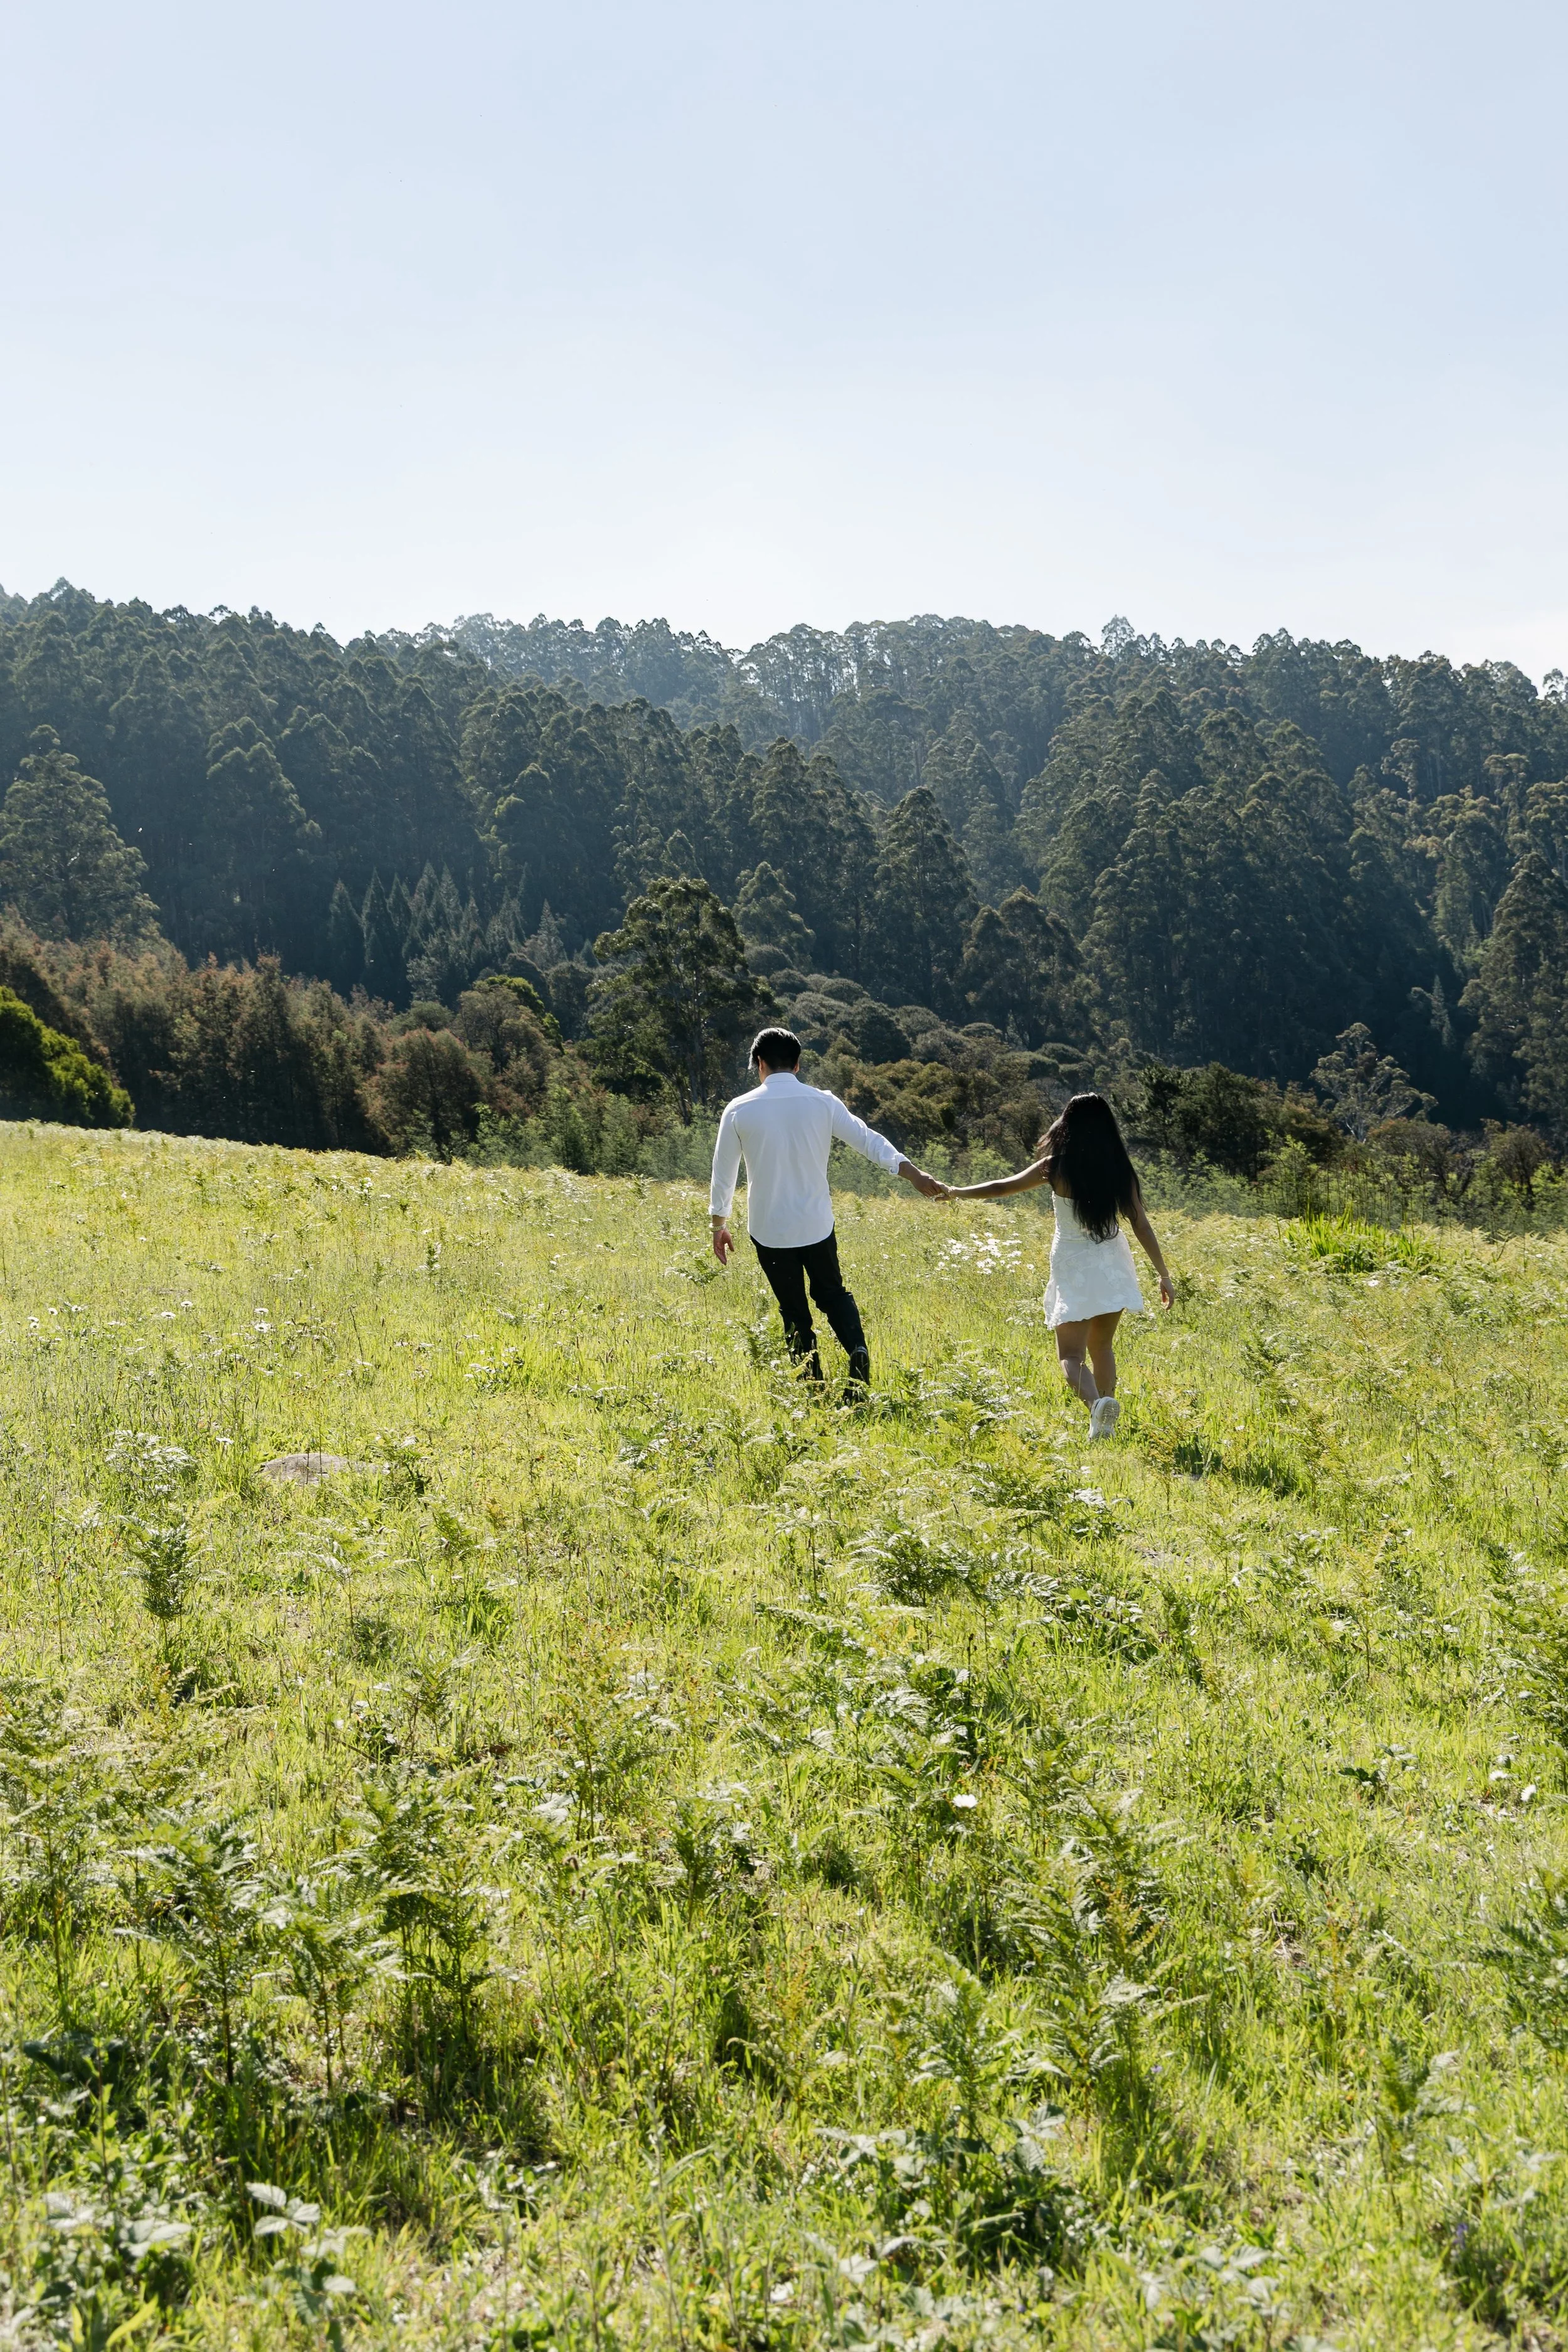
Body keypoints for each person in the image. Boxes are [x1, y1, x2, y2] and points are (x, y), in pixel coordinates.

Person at [710, 1027, 947, 1389]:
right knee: (832, 1294)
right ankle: (857, 1350)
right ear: (798, 1064)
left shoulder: (739, 1109)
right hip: (816, 1224)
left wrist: (719, 1224)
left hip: (770, 1230)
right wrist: (913, 1175)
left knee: (793, 1309)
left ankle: (811, 1385)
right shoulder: (823, 1102)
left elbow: (723, 1174)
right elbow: (869, 1141)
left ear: (759, 1064)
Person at [944, 1090, 1174, 1439]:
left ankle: (1097, 1407)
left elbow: (1001, 1187)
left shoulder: (1056, 1166)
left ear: (1067, 1125)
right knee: (1103, 1347)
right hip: (1113, 1261)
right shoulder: (1119, 1170)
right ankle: (1104, 1416)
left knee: (1070, 1355)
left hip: (1072, 1262)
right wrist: (1164, 1275)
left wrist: (956, 1192)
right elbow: (1141, 1224)